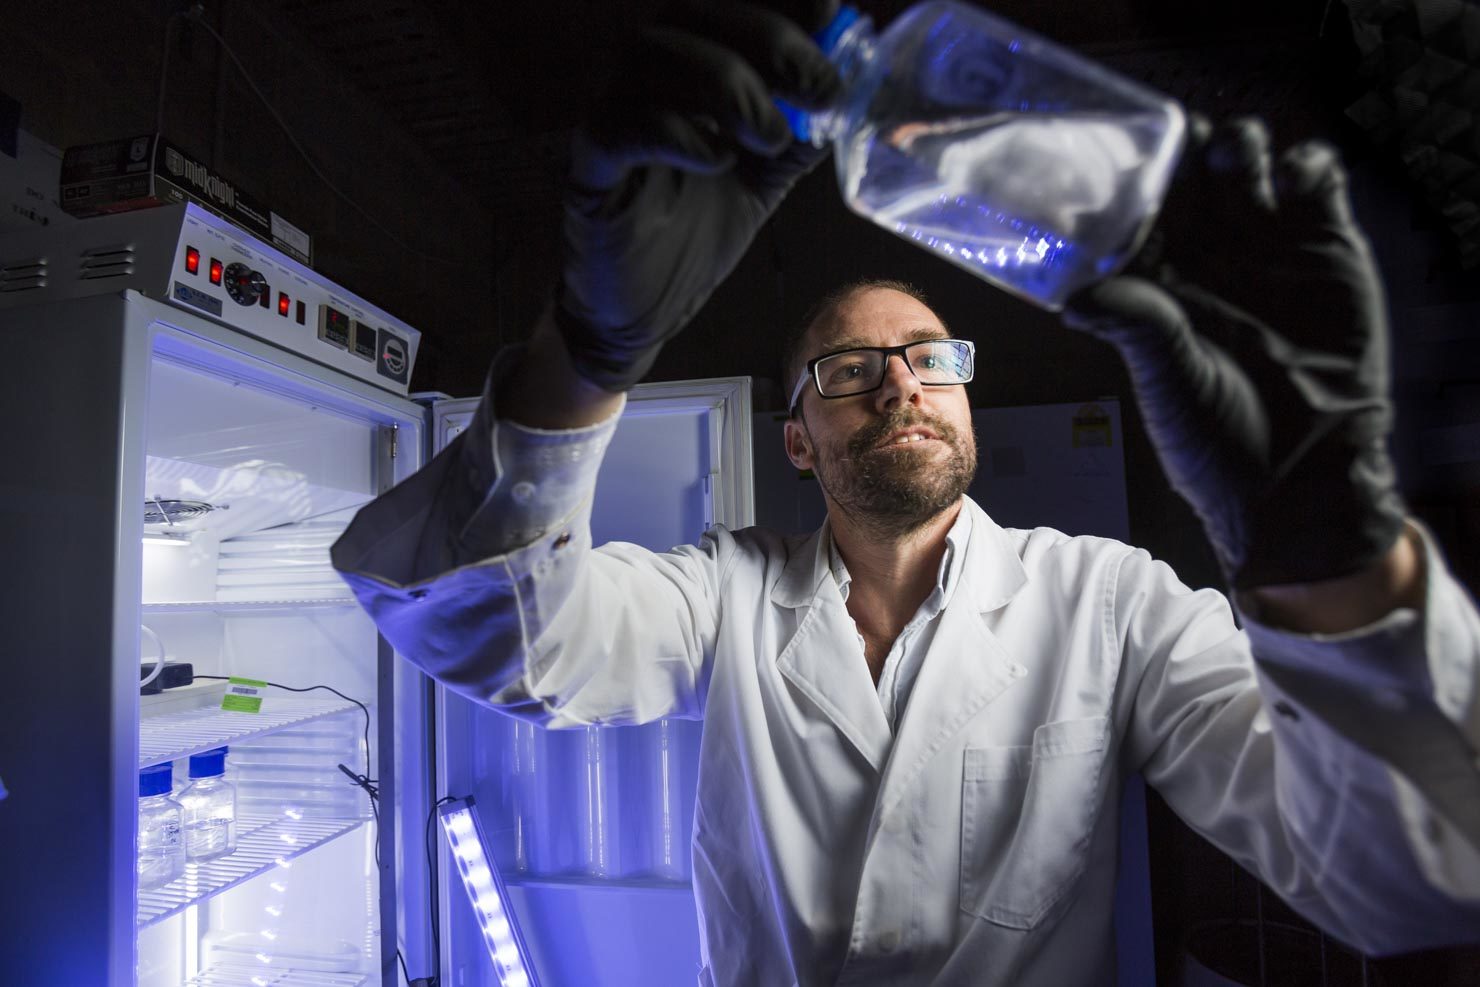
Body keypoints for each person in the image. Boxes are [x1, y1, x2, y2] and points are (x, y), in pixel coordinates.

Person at [331, 1, 1480, 983]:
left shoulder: (1113, 601)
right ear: (797, 441)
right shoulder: (721, 595)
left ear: (967, 394)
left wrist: (1330, 553)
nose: (898, 386)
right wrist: (582, 357)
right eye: (847, 370)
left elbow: (1415, 876)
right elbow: (482, 628)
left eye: (931, 357)